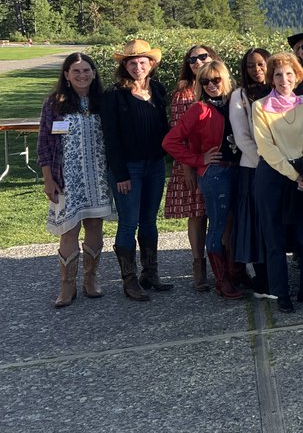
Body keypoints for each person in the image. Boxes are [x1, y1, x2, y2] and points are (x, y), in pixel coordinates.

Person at [162, 59, 243, 299]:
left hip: (239, 169)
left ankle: (235, 271)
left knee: (234, 223)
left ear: (225, 79)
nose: (210, 85)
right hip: (216, 173)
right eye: (204, 81)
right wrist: (198, 159)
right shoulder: (199, 109)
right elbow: (170, 142)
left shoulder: (236, 104)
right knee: (217, 226)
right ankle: (221, 280)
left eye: (215, 79)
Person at [38, 53, 115, 307]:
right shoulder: (55, 104)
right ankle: (66, 285)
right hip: (67, 178)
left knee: (94, 226)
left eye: (86, 70)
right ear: (66, 75)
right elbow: (45, 145)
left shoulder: (103, 102)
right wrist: (48, 178)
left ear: (94, 73)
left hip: (98, 176)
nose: (82, 75)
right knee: (68, 230)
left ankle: (91, 278)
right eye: (76, 71)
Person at [100, 39, 171, 302]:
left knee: (149, 221)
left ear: (151, 64)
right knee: (128, 222)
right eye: (132, 62)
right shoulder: (113, 95)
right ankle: (129, 280)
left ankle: (150, 273)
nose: (137, 67)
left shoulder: (159, 90)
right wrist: (120, 174)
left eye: (142, 62)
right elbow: (111, 137)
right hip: (129, 167)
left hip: (154, 164)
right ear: (124, 66)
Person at [252, 52, 303, 313]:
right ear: (271, 78)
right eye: (278, 74)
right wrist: (295, 175)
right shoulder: (260, 107)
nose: (284, 79)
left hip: (302, 174)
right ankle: (282, 295)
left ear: (297, 76)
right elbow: (266, 148)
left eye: (289, 73)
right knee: (275, 240)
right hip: (272, 177)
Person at [164, 44, 217, 292]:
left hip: (218, 161)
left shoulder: (222, 86)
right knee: (197, 215)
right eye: (192, 58)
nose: (197, 62)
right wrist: (188, 165)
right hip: (192, 161)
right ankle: (199, 266)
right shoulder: (183, 94)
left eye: (202, 57)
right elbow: (178, 134)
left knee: (219, 215)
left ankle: (223, 265)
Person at [230, 47, 271, 295]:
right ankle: (263, 279)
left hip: (281, 168)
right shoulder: (240, 96)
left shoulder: (281, 91)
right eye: (251, 65)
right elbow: (242, 137)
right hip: (255, 168)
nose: (256, 70)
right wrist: (267, 163)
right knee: (257, 228)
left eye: (261, 64)